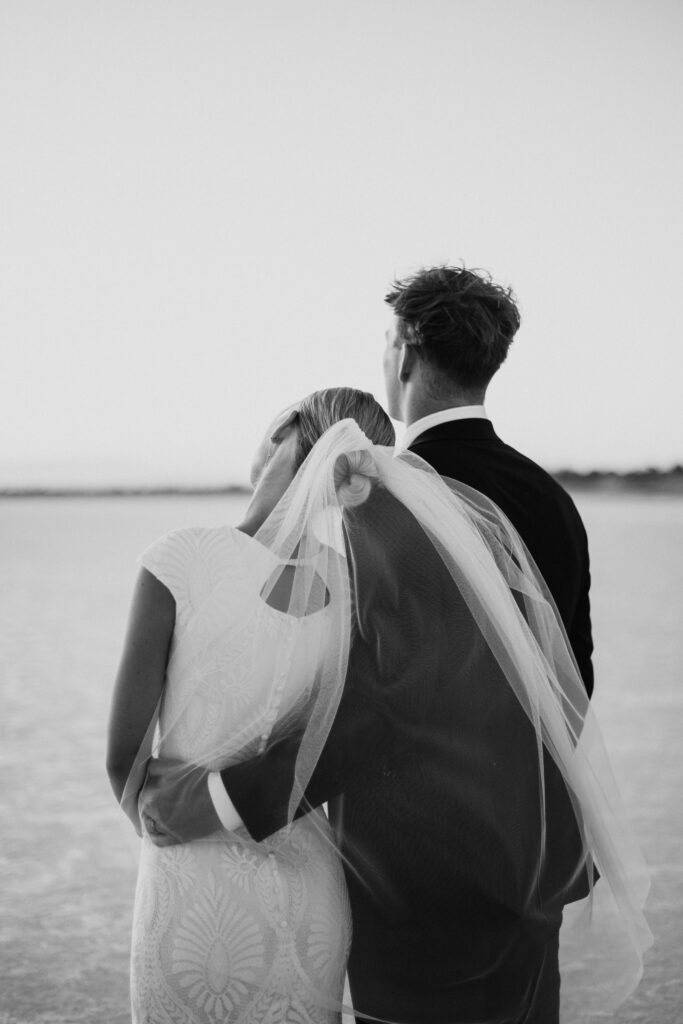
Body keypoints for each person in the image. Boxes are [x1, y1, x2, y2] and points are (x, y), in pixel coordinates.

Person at [137, 267, 650, 1022]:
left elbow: (385, 703)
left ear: (403, 351)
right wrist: (519, 810)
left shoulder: (391, 496)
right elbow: (573, 679)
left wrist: (221, 799)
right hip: (536, 863)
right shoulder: (549, 498)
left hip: (419, 879)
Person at [107, 388, 395, 1023]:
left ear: (285, 432)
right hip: (312, 893)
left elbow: (120, 760)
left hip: (191, 897)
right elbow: (347, 741)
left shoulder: (179, 559)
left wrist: (161, 833)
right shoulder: (352, 588)